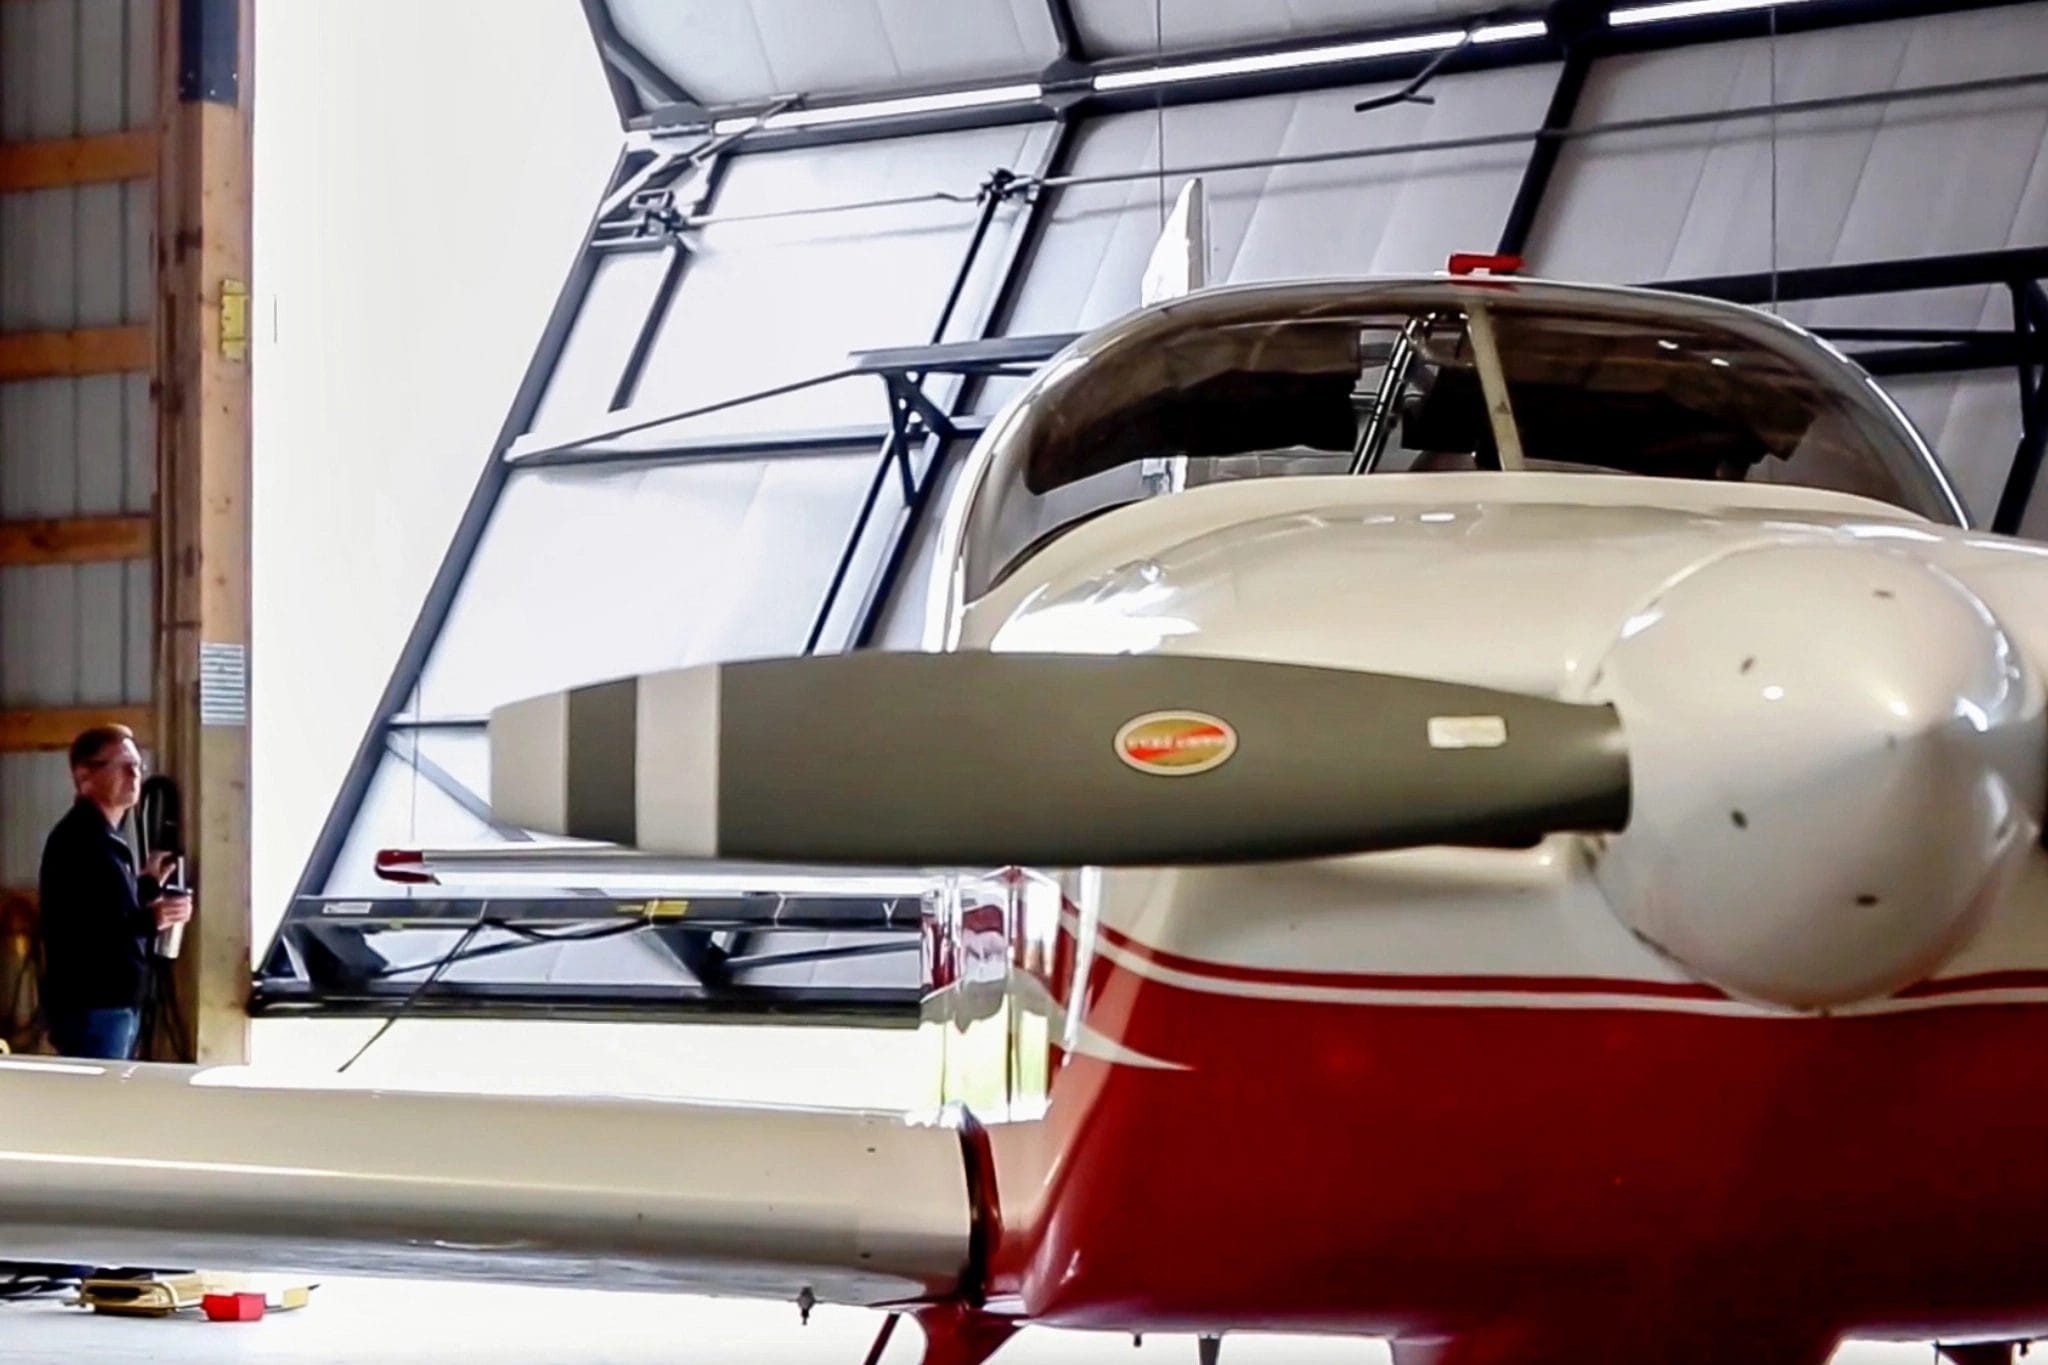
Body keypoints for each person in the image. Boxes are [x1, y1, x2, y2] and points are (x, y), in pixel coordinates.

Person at [35, 725, 192, 1060]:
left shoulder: (100, 839)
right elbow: (91, 932)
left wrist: (148, 884)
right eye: (122, 765)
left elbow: (107, 907)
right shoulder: (83, 842)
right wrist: (156, 917)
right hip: (95, 1007)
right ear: (85, 775)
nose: (135, 774)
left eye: (137, 765)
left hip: (104, 1006)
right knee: (96, 1105)